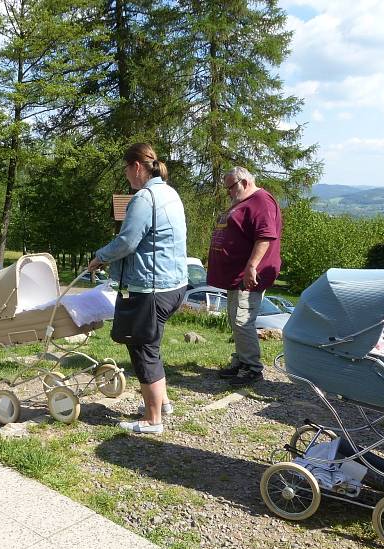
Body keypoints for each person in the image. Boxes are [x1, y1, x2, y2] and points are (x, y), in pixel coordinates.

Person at [88, 143, 188, 435]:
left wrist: (100, 256)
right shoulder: (169, 192)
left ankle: (152, 419)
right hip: (174, 284)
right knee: (152, 344)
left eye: (125, 168)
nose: (126, 175)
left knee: (142, 347)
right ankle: (164, 402)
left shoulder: (144, 198)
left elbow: (127, 241)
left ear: (136, 166)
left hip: (150, 287)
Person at [207, 166, 282, 386]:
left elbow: (265, 237)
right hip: (235, 275)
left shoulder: (261, 201)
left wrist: (251, 266)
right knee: (235, 318)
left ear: (245, 183)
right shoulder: (245, 202)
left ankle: (252, 367)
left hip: (247, 275)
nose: (229, 192)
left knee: (242, 320)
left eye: (231, 187)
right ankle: (241, 360)